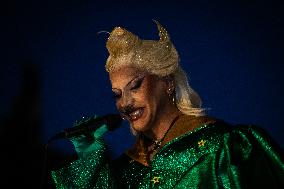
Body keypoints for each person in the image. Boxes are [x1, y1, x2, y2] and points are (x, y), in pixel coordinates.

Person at [51, 20, 284, 188]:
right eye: (117, 94)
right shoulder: (123, 170)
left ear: (167, 83)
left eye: (135, 86)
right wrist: (90, 163)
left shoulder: (226, 148)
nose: (125, 103)